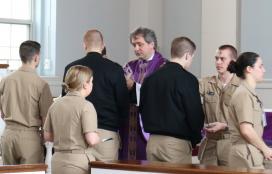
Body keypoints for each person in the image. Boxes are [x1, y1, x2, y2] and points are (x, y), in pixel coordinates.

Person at [62, 29, 129, 161]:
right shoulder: (115, 69)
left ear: (84, 45)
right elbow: (123, 105)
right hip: (106, 135)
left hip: (77, 134)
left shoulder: (71, 68)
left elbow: (66, 101)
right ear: (103, 45)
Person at [140, 37, 204, 163]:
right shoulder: (188, 79)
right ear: (187, 55)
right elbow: (194, 113)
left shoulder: (150, 79)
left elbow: (142, 108)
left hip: (152, 142)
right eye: (192, 57)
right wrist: (196, 139)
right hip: (175, 145)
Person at [0, 40, 53, 164]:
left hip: (8, 135)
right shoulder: (41, 84)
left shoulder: (5, 80)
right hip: (29, 138)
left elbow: (2, 113)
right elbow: (46, 118)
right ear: (36, 57)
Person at [120, 27, 167, 160]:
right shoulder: (129, 66)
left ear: (152, 44)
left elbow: (159, 94)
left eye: (140, 44)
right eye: (134, 45)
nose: (136, 49)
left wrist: (134, 86)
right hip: (130, 123)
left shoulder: (163, 66)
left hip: (151, 124)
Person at [44, 65, 100, 174]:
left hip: (58, 160)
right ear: (85, 85)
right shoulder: (86, 106)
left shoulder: (55, 104)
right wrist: (98, 137)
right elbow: (91, 139)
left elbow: (48, 136)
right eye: (91, 82)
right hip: (78, 162)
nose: (92, 85)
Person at [226, 52, 272, 169]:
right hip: (244, 152)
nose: (264, 70)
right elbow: (246, 130)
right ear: (249, 69)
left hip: (251, 151)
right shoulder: (244, 94)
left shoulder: (249, 93)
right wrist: (265, 149)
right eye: (260, 66)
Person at [198, 45, 240, 166]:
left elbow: (248, 120)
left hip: (231, 143)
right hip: (210, 143)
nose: (218, 62)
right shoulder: (205, 83)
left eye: (222, 59)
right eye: (216, 58)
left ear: (233, 61)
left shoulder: (241, 85)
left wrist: (225, 125)